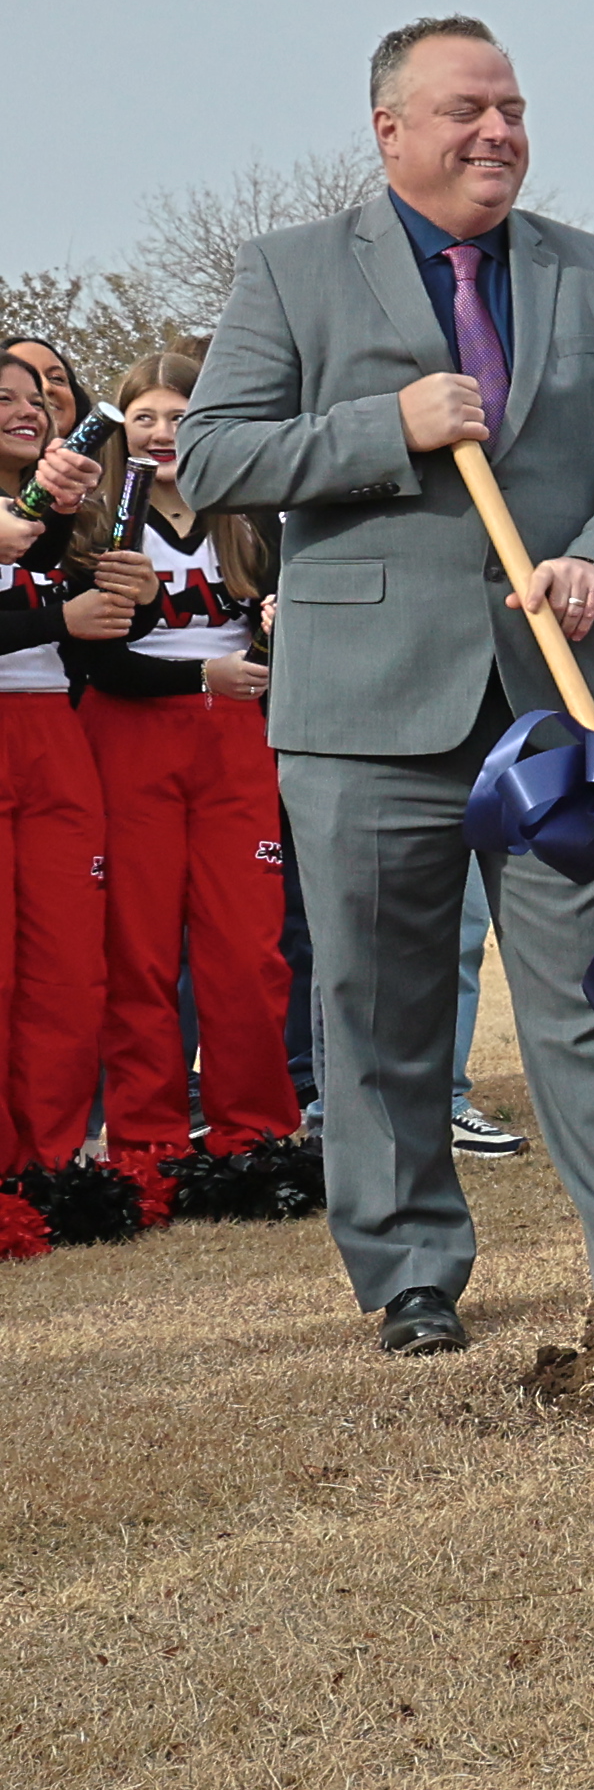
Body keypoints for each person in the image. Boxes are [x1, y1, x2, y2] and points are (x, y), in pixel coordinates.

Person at [178, 17, 594, 1352]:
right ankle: (411, 1272)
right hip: (365, 709)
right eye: (468, 108)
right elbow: (213, 456)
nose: (499, 130)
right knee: (381, 1005)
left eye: (512, 106)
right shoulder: (293, 271)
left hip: (555, 699)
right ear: (390, 129)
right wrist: (387, 428)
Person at [67, 344, 293, 1159]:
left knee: (247, 948)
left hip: (234, 744)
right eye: (145, 417)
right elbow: (96, 663)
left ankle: (254, 1136)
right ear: (120, 429)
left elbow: (282, 645)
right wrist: (201, 674)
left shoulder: (250, 519)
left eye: (182, 417)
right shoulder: (93, 525)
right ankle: (147, 1143)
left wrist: (279, 633)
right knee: (139, 951)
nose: (163, 433)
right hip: (129, 739)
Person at [0, 354, 119, 1177]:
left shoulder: (56, 512)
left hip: (55, 736)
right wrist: (60, 622)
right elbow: (60, 620)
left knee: (67, 965)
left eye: (40, 399)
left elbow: (101, 626)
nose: (28, 409)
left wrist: (122, 594)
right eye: (4, 397)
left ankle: (52, 1165)